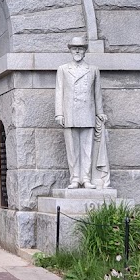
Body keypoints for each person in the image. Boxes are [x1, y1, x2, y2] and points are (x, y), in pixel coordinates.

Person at [54, 36, 110, 189]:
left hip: (87, 113)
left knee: (87, 149)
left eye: (80, 48)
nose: (77, 50)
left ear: (85, 51)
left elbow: (97, 93)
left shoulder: (93, 70)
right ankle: (75, 178)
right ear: (70, 50)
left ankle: (85, 178)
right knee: (72, 149)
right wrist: (59, 113)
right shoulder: (63, 69)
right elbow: (59, 91)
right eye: (74, 48)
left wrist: (100, 112)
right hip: (70, 113)